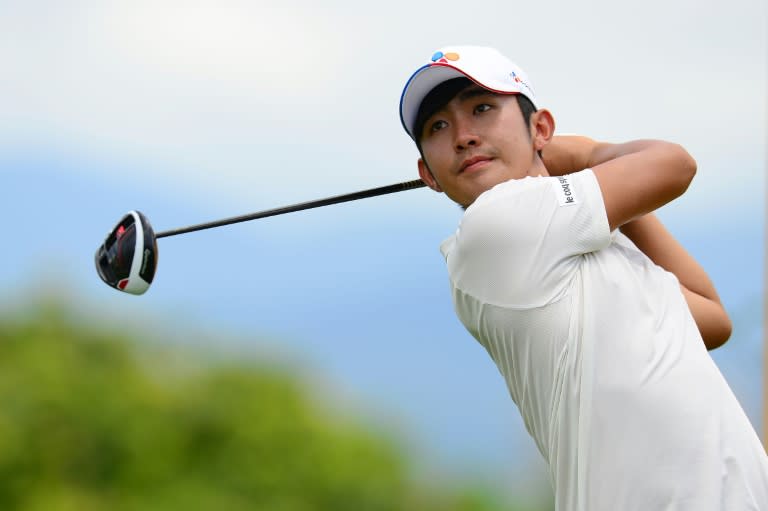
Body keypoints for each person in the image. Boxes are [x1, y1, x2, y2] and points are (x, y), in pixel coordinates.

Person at [399, 45, 768, 510]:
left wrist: (604, 191)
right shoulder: (497, 226)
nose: (464, 136)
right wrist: (589, 153)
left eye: (482, 108)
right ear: (427, 174)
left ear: (541, 128)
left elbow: (712, 320)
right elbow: (675, 164)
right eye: (438, 127)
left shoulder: (578, 240)